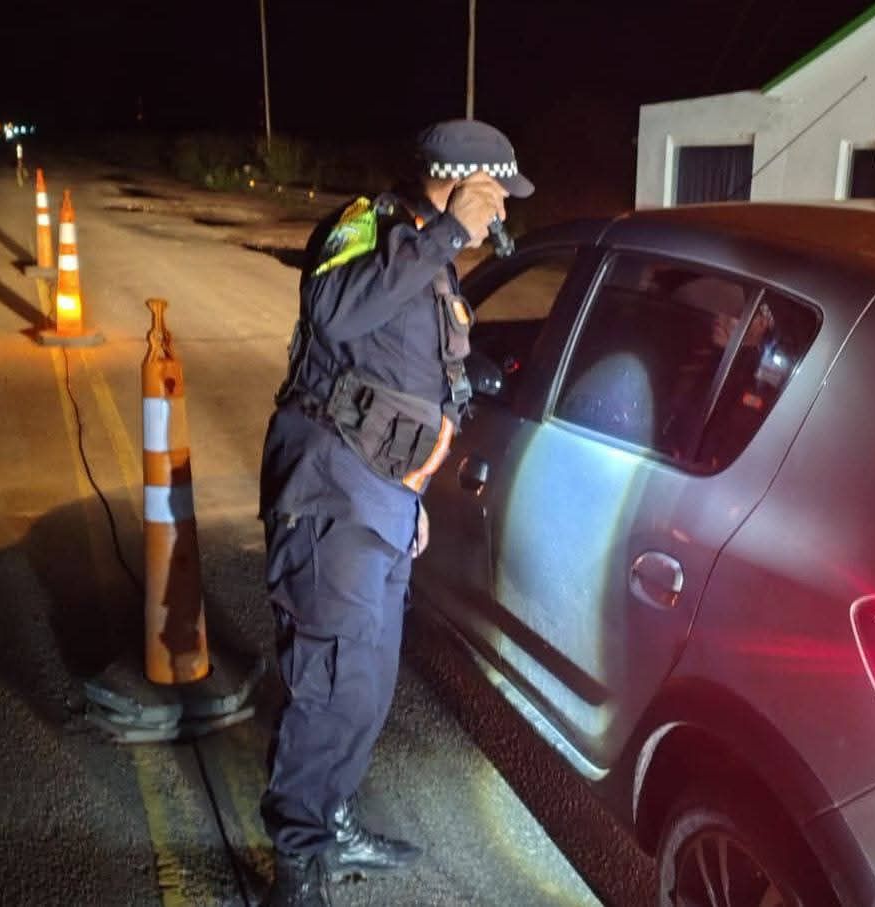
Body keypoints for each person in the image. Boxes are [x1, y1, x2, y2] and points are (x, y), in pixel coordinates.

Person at [258, 119, 533, 906]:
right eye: (497, 194)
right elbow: (334, 313)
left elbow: (413, 384)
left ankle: (331, 817)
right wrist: (446, 231)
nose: (503, 210)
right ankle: (296, 864)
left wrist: (411, 498)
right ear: (462, 180)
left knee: (370, 684)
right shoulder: (367, 226)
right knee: (332, 683)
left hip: (383, 498)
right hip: (330, 489)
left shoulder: (434, 266)